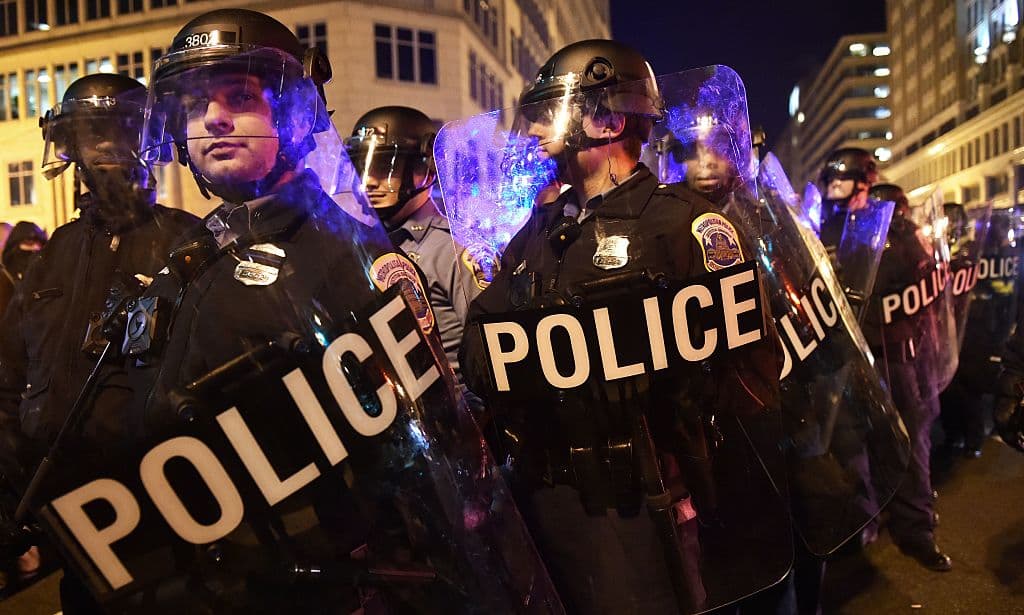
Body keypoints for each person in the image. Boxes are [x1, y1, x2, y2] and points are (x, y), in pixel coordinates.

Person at [457, 41, 786, 614]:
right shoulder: (540, 229)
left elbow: (750, 375)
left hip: (640, 501)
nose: (534, 128)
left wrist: (687, 456)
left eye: (550, 110)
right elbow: (482, 346)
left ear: (608, 118)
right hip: (543, 495)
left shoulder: (682, 225)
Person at [0, 72, 199, 612]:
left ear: (149, 138)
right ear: (72, 147)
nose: (109, 145)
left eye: (123, 130)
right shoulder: (52, 255)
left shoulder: (190, 243)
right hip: (66, 512)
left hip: (162, 515)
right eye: (94, 134)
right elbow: (10, 380)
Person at [345, 106, 488, 383]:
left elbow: (489, 349)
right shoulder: (363, 242)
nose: (369, 182)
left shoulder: (456, 248)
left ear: (427, 169)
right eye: (362, 167)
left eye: (386, 167)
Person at [862, 183, 952, 572]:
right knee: (904, 444)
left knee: (913, 443)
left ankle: (916, 527)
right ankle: (911, 523)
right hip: (887, 357)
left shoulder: (902, 240)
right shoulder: (879, 240)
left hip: (904, 357)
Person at [0, 222, 48, 318]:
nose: (36, 247)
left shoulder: (47, 275)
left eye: (40, 243)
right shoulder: (4, 277)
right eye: (29, 242)